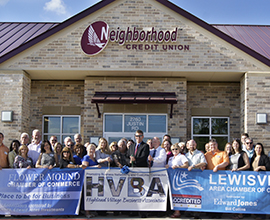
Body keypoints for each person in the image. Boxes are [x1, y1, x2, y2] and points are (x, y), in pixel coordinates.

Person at [165, 143, 188, 218]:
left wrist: (178, 166)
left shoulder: (182, 156)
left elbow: (186, 165)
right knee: (172, 195)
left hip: (179, 178)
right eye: (173, 149)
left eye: (176, 149)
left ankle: (177, 212)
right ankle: (174, 210)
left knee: (178, 194)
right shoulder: (171, 158)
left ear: (179, 149)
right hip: (171, 178)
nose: (174, 150)